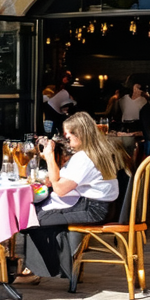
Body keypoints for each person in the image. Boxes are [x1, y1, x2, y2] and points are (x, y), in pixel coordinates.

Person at [17, 112, 127, 283]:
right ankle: (49, 267)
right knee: (40, 213)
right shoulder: (99, 151)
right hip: (107, 207)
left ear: (80, 134)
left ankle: (35, 271)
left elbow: (60, 189)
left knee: (33, 217)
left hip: (92, 210)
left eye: (68, 137)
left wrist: (50, 157)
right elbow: (61, 181)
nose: (67, 141)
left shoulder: (85, 158)